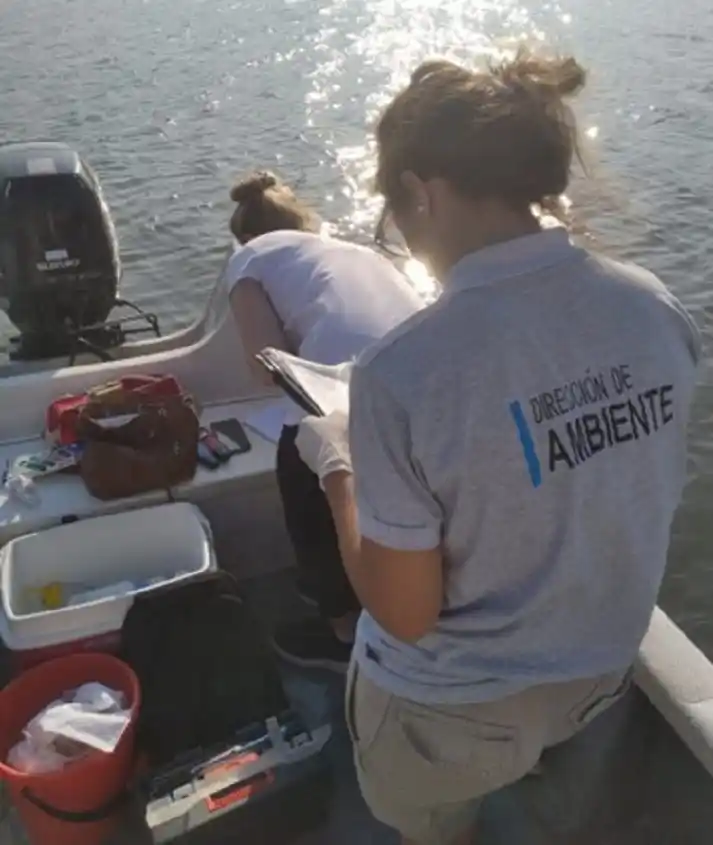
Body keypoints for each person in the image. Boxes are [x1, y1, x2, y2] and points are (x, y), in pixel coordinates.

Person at [292, 48, 701, 845]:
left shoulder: (398, 372)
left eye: (395, 210)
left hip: (446, 719)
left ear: (420, 189)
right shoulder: (653, 307)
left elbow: (405, 614)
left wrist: (336, 463)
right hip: (596, 675)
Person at [225, 169, 424, 671]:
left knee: (301, 464)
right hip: (426, 385)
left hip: (351, 391)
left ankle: (340, 628)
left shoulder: (248, 258)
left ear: (244, 235)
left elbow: (265, 364)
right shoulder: (357, 250)